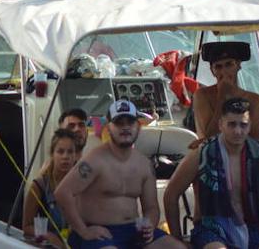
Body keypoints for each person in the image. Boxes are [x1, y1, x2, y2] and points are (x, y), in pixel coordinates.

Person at [54, 99, 183, 248]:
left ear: (138, 127)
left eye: (130, 122)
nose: (125, 127)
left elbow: (151, 208)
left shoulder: (144, 165)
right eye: (119, 123)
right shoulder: (94, 160)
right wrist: (83, 231)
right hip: (100, 234)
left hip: (133, 231)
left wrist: (149, 225)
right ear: (108, 128)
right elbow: (63, 192)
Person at [163, 95, 259, 249]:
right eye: (231, 124)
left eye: (243, 125)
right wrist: (177, 238)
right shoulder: (201, 155)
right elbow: (171, 194)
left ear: (250, 126)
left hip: (252, 226)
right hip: (210, 229)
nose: (238, 131)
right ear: (221, 124)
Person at [191, 41, 259, 144]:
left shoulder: (255, 100)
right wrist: (222, 98)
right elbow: (210, 138)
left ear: (238, 66)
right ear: (212, 71)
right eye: (218, 67)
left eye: (229, 64)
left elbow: (256, 142)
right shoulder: (202, 96)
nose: (224, 71)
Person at [22, 127, 79, 243]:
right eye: (60, 151)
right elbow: (26, 226)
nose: (65, 157)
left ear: (76, 156)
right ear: (52, 154)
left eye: (70, 152)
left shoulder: (83, 185)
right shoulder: (39, 186)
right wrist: (48, 236)